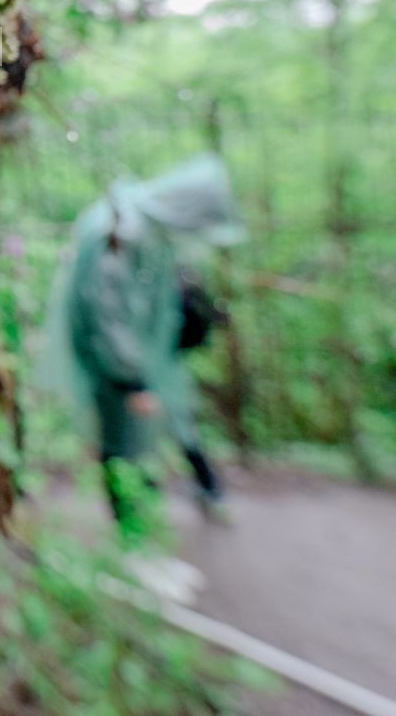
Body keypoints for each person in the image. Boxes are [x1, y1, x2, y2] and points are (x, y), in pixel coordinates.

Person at [42, 153, 245, 538]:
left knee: (149, 443)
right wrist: (130, 380)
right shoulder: (119, 230)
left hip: (147, 362)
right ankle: (134, 542)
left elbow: (153, 296)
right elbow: (106, 313)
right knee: (125, 450)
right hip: (121, 371)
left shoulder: (148, 228)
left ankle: (145, 536)